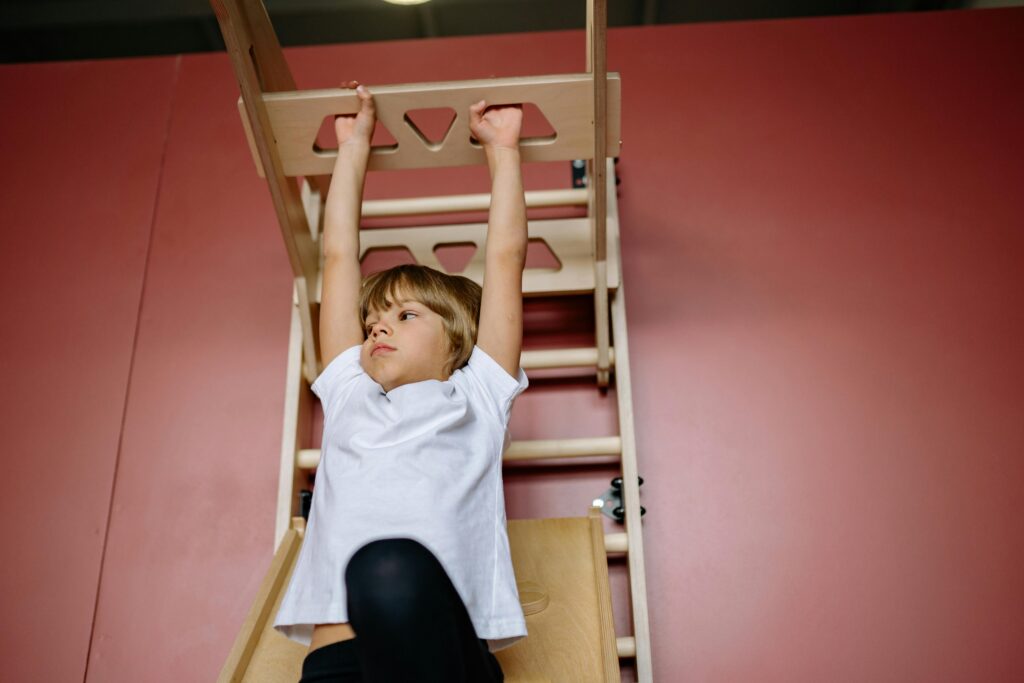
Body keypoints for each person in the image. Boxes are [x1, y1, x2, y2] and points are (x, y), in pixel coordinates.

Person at [272, 81, 530, 683]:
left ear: (458, 339)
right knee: (375, 570)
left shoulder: (479, 394)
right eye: (371, 322)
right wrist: (352, 146)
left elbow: (505, 257)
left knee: (386, 567)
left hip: (446, 661)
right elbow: (337, 256)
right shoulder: (348, 391)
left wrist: (504, 149)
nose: (377, 330)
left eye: (405, 316)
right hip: (337, 665)